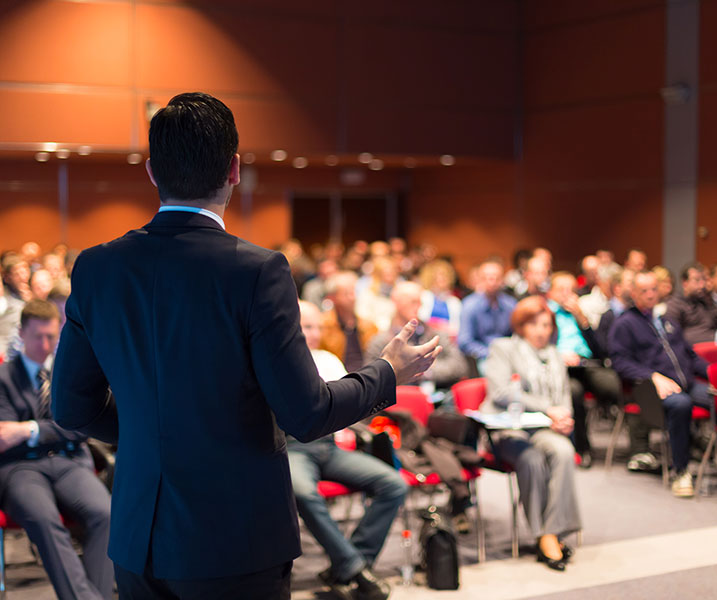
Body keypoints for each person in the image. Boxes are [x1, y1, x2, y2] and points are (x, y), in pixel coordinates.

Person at [50, 92, 440, 599]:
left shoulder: (98, 267)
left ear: (151, 172)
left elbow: (70, 407)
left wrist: (158, 430)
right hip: (235, 539)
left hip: (137, 538)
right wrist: (386, 372)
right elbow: (306, 413)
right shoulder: (257, 271)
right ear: (234, 169)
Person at [290, 301, 407, 600]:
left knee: (394, 484)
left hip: (328, 446)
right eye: (304, 325)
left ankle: (350, 565)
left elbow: (351, 407)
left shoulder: (328, 359)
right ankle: (355, 570)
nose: (312, 333)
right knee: (303, 492)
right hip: (294, 449)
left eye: (316, 326)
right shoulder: (280, 363)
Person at [0, 300, 113, 599]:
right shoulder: (3, 378)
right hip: (20, 470)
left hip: (69, 463)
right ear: (21, 333)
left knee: (106, 514)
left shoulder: (68, 374)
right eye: (38, 336)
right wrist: (55, 430)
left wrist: (29, 429)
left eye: (51, 336)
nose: (46, 344)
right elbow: (2, 436)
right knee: (45, 521)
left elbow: (80, 428)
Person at [484, 296, 582, 571]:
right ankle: (545, 536)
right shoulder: (503, 348)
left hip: (542, 428)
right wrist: (548, 408)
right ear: (521, 325)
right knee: (532, 460)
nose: (542, 331)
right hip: (508, 430)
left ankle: (550, 533)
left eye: (547, 325)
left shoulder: (554, 354)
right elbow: (501, 392)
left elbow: (564, 397)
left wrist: (564, 417)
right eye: (534, 324)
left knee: (563, 450)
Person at [608, 271, 710, 497]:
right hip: (651, 390)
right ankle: (680, 471)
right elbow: (620, 362)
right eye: (644, 291)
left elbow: (689, 355)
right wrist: (652, 376)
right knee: (681, 405)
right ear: (633, 293)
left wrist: (713, 373)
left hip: (687, 382)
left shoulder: (667, 321)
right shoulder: (625, 324)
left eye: (654, 289)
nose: (651, 294)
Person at [547, 272, 622, 467]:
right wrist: (559, 356)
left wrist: (582, 320)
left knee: (612, 386)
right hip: (558, 368)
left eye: (571, 290)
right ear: (550, 292)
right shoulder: (546, 313)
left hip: (586, 364)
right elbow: (541, 346)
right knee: (574, 393)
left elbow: (599, 349)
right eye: (561, 290)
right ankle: (581, 447)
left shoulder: (580, 313)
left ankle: (636, 446)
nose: (566, 295)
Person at [367, 282, 468, 390]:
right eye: (413, 302)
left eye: (420, 302)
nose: (418, 307)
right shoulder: (381, 341)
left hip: (438, 398)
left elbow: (459, 366)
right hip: (399, 401)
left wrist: (424, 370)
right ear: (396, 302)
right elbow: (373, 378)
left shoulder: (436, 334)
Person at [458, 259, 516, 371]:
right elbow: (465, 341)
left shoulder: (511, 304)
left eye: (497, 278)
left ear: (502, 280)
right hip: (482, 357)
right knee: (494, 370)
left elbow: (517, 335)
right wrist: (489, 353)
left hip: (507, 354)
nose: (492, 282)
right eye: (488, 278)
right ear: (480, 280)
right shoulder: (469, 305)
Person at [320, 271, 379, 372]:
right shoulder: (322, 326)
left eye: (354, 292)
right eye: (347, 294)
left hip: (366, 377)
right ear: (332, 298)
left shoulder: (369, 326)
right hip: (338, 379)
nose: (353, 298)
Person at [665, 262, 717, 346]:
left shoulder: (706, 301)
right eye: (697, 280)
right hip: (692, 352)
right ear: (685, 283)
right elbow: (673, 337)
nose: (702, 285)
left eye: (704, 279)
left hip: (715, 347)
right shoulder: (674, 304)